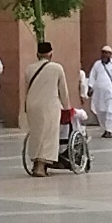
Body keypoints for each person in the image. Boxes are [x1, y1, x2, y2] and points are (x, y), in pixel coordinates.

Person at [21, 41, 69, 177]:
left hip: (32, 105)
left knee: (36, 135)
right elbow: (63, 91)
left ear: (37, 54)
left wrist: (25, 106)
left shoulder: (29, 68)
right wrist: (67, 108)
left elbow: (26, 89)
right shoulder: (57, 68)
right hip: (49, 105)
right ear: (51, 53)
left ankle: (36, 163)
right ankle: (40, 167)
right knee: (48, 135)